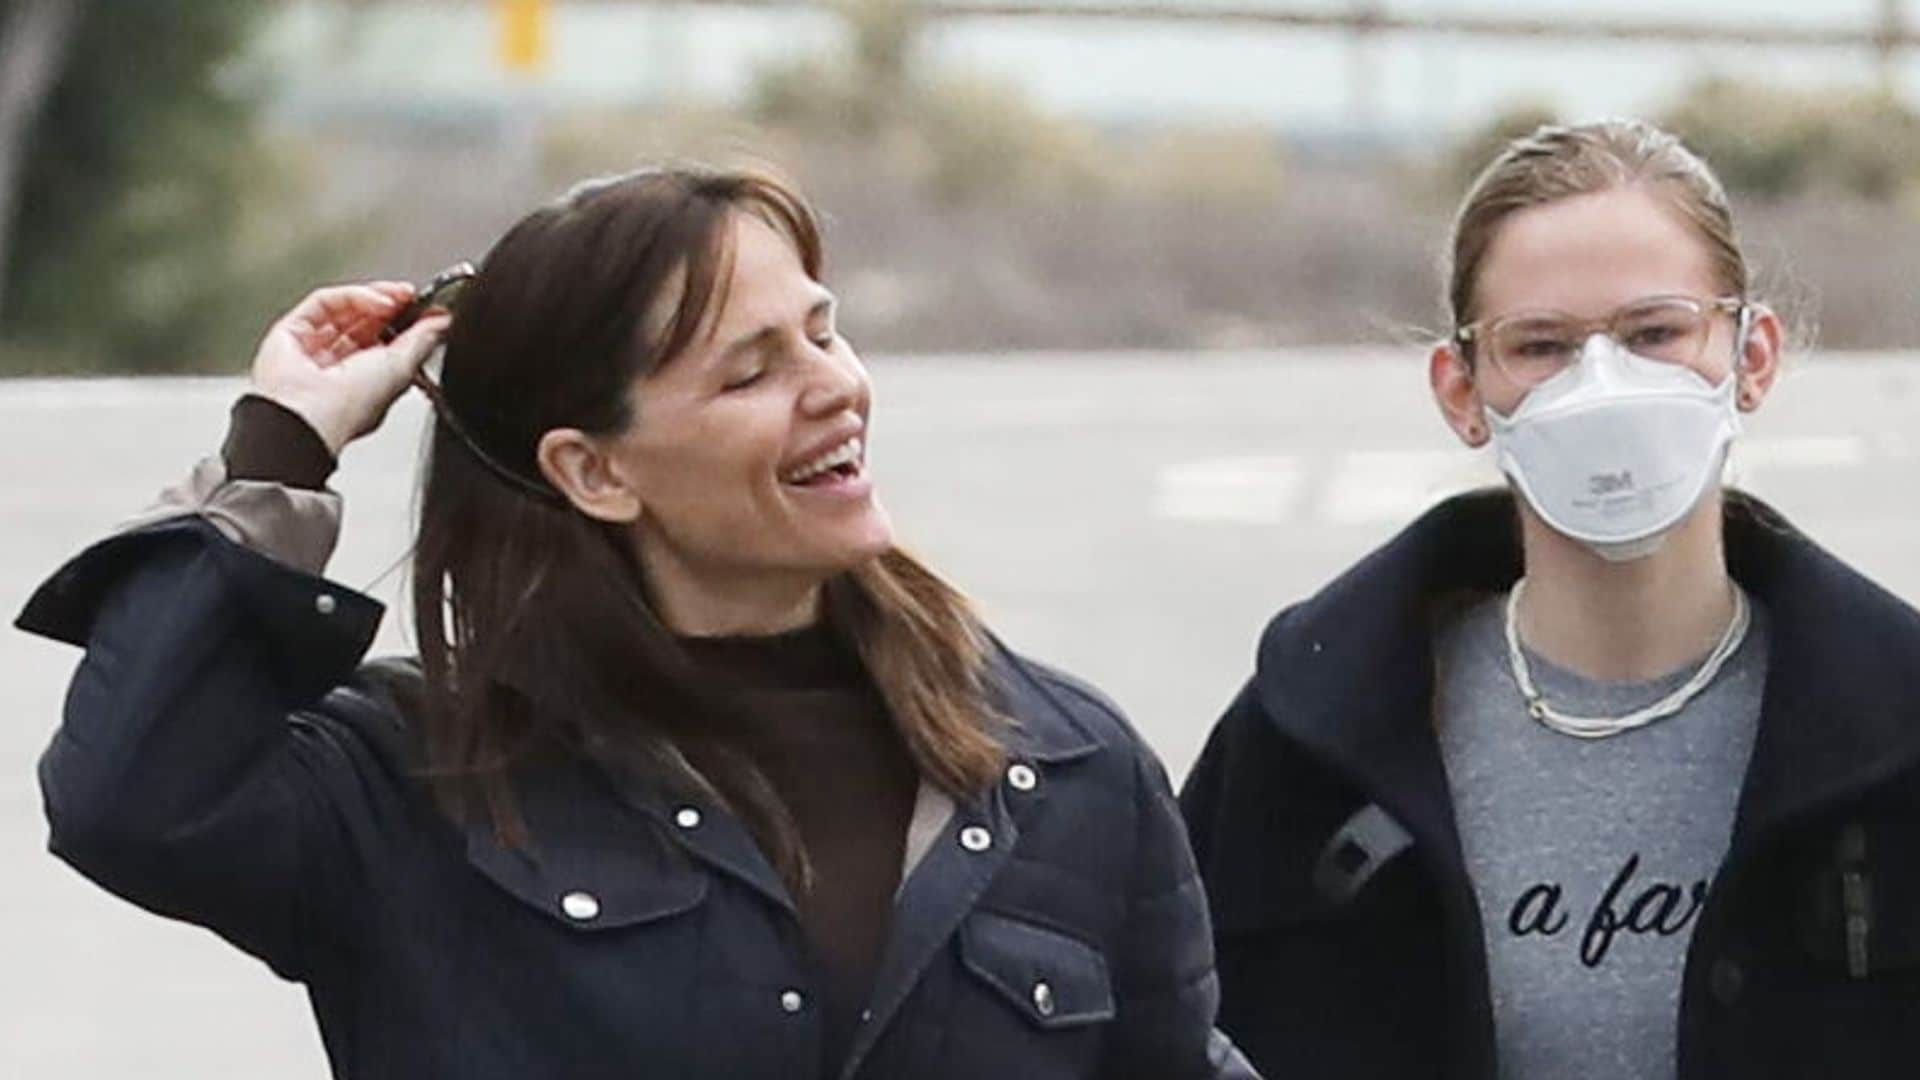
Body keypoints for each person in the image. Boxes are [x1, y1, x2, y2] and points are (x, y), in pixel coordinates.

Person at [19, 166, 1254, 1080]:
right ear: (595, 473)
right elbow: (133, 798)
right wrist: (280, 452)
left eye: (823, 330)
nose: (836, 385)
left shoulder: (1062, 764)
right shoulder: (424, 779)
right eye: (751, 368)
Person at [1180, 118, 1920, 1079]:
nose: (1604, 385)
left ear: (1754, 357)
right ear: (1462, 390)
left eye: (1657, 332)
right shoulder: (1307, 739)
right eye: (1541, 346)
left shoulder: (1896, 729)